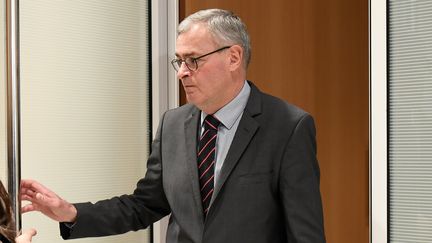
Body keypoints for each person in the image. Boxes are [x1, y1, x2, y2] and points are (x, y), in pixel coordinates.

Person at [20, 8, 326, 243]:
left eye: (193, 60)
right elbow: (144, 205)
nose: (181, 72)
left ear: (234, 57)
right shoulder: (173, 124)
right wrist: (72, 212)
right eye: (179, 61)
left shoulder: (289, 126)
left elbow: (305, 234)